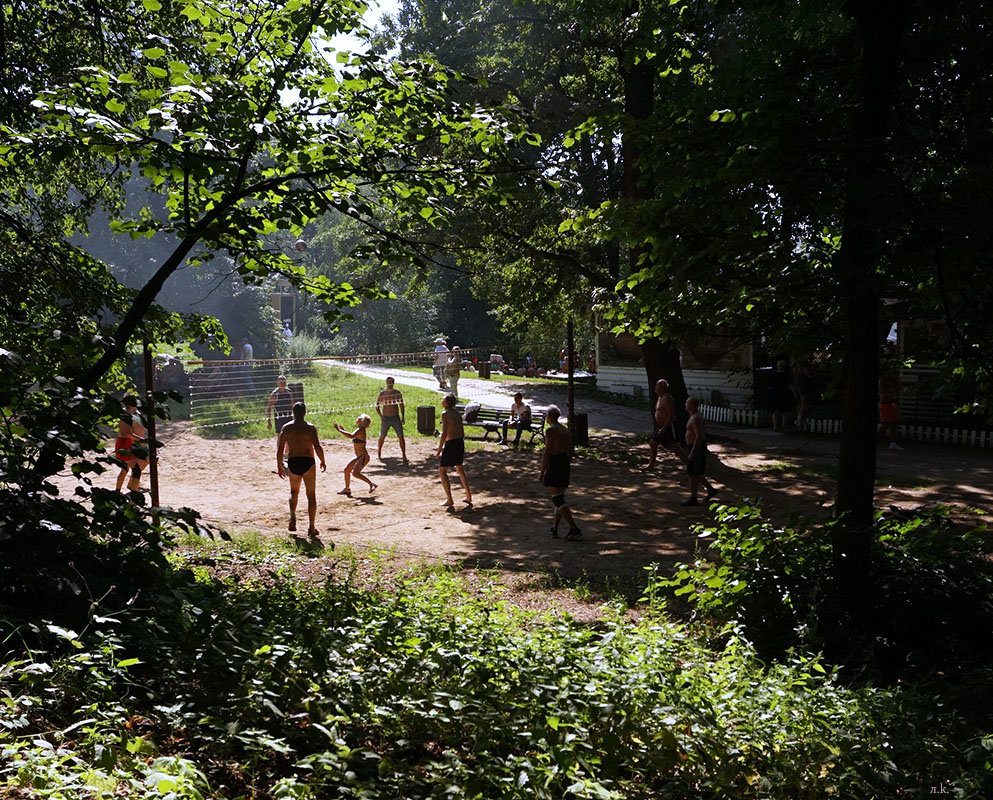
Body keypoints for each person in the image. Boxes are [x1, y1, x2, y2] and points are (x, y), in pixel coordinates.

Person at [276, 401, 327, 535]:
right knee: (311, 495)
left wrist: (279, 465)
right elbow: (317, 446)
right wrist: (322, 460)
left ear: (293, 413)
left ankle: (292, 515)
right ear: (304, 413)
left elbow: (280, 449)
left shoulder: (286, 428)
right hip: (308, 461)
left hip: (293, 461)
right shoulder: (310, 428)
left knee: (294, 491)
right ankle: (311, 526)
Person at [541, 405, 582, 540]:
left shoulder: (551, 430)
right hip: (564, 461)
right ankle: (555, 529)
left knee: (557, 499)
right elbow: (571, 451)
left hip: (556, 462)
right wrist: (566, 464)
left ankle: (574, 528)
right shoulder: (564, 429)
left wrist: (542, 472)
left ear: (549, 416)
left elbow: (548, 452)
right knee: (559, 499)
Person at [641, 378, 688, 472]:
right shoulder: (659, 397)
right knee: (653, 444)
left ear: (663, 388)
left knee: (676, 448)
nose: (655, 387)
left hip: (670, 426)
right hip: (661, 426)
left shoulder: (667, 398)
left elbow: (671, 414)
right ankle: (650, 466)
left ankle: (691, 465)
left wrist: (664, 428)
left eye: (657, 386)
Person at [436, 393, 472, 509]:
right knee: (460, 469)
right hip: (459, 442)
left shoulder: (445, 414)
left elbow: (445, 433)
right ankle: (468, 495)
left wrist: (439, 450)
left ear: (447, 402)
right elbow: (459, 430)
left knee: (442, 471)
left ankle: (449, 499)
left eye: (443, 400)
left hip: (451, 444)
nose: (442, 402)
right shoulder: (457, 413)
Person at [682, 396, 717, 506]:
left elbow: (698, 437)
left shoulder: (696, 418)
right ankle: (711, 490)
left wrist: (692, 452)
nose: (685, 404)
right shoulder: (693, 416)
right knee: (694, 473)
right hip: (693, 446)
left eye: (687, 402)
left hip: (696, 447)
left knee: (692, 473)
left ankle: (693, 498)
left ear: (692, 405)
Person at [334, 415, 377, 495]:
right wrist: (343, 430)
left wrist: (339, 430)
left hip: (363, 457)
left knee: (355, 473)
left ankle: (371, 484)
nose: (357, 418)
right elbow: (351, 435)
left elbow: (351, 435)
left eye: (359, 418)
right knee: (347, 470)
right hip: (359, 457)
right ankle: (347, 489)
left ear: (362, 422)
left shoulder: (360, 429)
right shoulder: (360, 430)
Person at [114, 396, 148, 492]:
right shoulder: (125, 415)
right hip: (124, 444)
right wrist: (141, 440)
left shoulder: (132, 413)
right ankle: (133, 493)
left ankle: (121, 490)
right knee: (134, 469)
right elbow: (127, 433)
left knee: (127, 469)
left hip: (129, 443)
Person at [376, 376, 408, 463]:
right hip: (386, 418)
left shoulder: (397, 393)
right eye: (388, 382)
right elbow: (377, 406)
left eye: (391, 382)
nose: (390, 384)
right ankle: (379, 452)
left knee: (401, 436)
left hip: (395, 417)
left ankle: (404, 455)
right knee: (382, 436)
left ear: (393, 383)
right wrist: (381, 416)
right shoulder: (382, 394)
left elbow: (401, 405)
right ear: (386, 383)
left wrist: (403, 417)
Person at [878, 369, 903, 450]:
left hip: (893, 403)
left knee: (894, 423)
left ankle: (893, 443)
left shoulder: (894, 380)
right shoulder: (883, 380)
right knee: (886, 424)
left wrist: (896, 380)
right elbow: (884, 391)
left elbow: (899, 388)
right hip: (885, 404)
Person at [770, 360, 793, 431]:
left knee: (775, 410)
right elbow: (789, 385)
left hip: (774, 394)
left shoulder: (773, 375)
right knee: (785, 410)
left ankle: (775, 426)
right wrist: (794, 392)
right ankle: (783, 424)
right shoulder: (786, 375)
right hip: (783, 394)